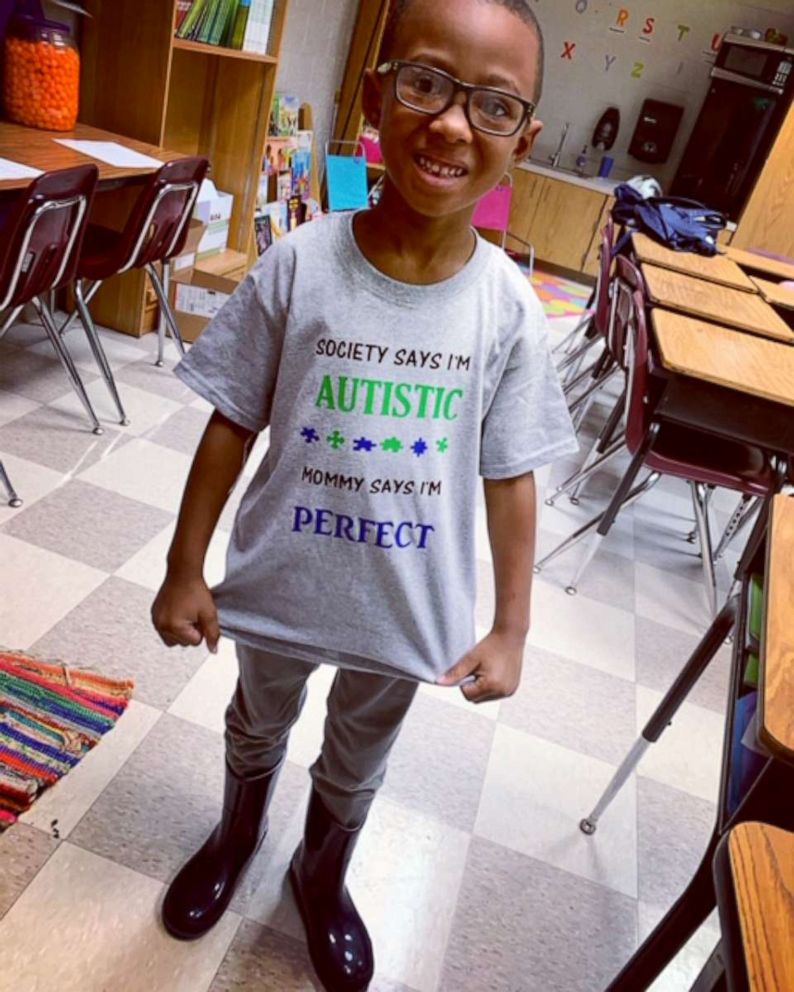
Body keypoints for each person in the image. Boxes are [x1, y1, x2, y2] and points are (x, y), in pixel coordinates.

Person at [151, 1, 577, 989]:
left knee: (357, 755)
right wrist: (184, 566)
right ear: (378, 90)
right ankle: (238, 834)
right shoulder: (300, 264)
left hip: (401, 607)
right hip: (279, 588)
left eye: (494, 105)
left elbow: (509, 477)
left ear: (523, 137)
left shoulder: (507, 310)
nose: (453, 124)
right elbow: (228, 421)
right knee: (255, 721)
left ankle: (321, 868)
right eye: (426, 83)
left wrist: (511, 626)